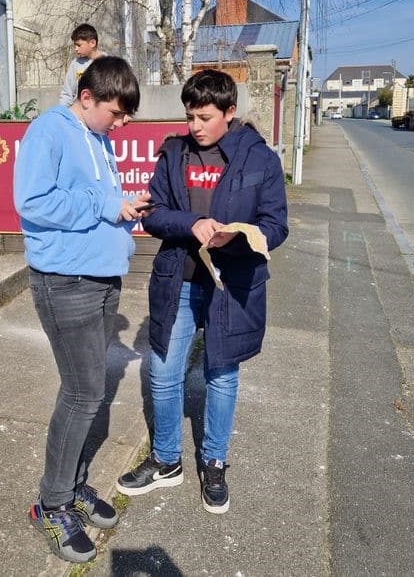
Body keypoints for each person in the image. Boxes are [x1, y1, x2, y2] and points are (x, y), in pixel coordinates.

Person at [116, 69, 288, 515]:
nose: (195, 126)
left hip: (233, 284)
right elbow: (152, 215)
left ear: (230, 113)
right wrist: (190, 224)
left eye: (205, 117)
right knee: (163, 373)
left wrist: (240, 236)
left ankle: (213, 461)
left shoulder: (259, 159)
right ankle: (167, 460)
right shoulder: (174, 153)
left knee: (222, 375)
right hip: (180, 280)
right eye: (190, 115)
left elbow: (276, 225)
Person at [15, 56, 152, 563]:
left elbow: (95, 196)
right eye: (115, 113)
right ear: (88, 97)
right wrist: (103, 204)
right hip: (66, 281)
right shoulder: (49, 130)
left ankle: (71, 488)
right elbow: (33, 202)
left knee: (89, 393)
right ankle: (50, 506)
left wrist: (122, 203)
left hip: (100, 278)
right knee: (82, 393)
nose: (120, 123)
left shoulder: (98, 138)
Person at [59, 23, 107, 106]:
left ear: (92, 43)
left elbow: (120, 93)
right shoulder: (76, 64)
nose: (76, 49)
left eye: (79, 45)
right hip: (80, 115)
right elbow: (67, 94)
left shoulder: (110, 63)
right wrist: (60, 113)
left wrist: (125, 113)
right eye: (75, 45)